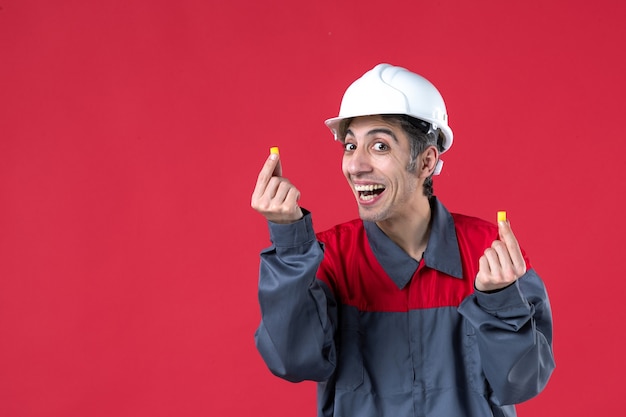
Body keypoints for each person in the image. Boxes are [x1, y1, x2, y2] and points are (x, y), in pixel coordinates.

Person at [251, 63, 555, 417]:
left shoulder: (489, 255)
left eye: (379, 146)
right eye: (350, 146)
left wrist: (500, 302)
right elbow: (294, 362)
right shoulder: (329, 258)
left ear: (426, 161)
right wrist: (289, 246)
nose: (355, 165)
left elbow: (521, 383)